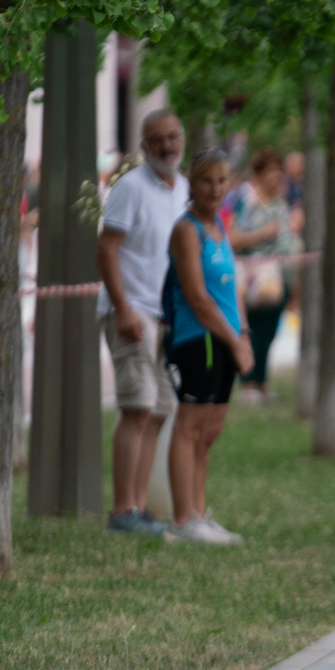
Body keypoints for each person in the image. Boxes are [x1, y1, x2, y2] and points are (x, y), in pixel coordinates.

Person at [94, 111, 189, 536]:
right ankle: (122, 511)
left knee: (161, 409)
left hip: (168, 316)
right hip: (132, 311)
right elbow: (106, 250)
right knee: (138, 407)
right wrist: (123, 310)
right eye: (157, 139)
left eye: (172, 137)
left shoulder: (183, 188)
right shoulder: (129, 187)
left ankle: (140, 506)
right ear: (143, 146)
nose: (166, 146)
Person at [163, 148, 254, 546]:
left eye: (221, 181)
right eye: (206, 181)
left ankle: (199, 513)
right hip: (200, 338)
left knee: (209, 432)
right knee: (190, 428)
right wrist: (234, 341)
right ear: (192, 183)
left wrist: (243, 335)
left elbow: (232, 290)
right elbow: (198, 297)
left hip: (227, 339)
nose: (215, 189)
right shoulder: (187, 230)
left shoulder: (218, 225)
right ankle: (182, 519)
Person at [228, 147, 299, 404]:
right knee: (253, 331)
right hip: (256, 279)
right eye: (270, 170)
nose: (276, 175)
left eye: (278, 170)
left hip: (280, 279)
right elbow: (234, 239)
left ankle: (262, 383)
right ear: (259, 174)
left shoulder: (280, 203)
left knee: (270, 332)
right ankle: (248, 383)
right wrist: (264, 233)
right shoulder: (249, 203)